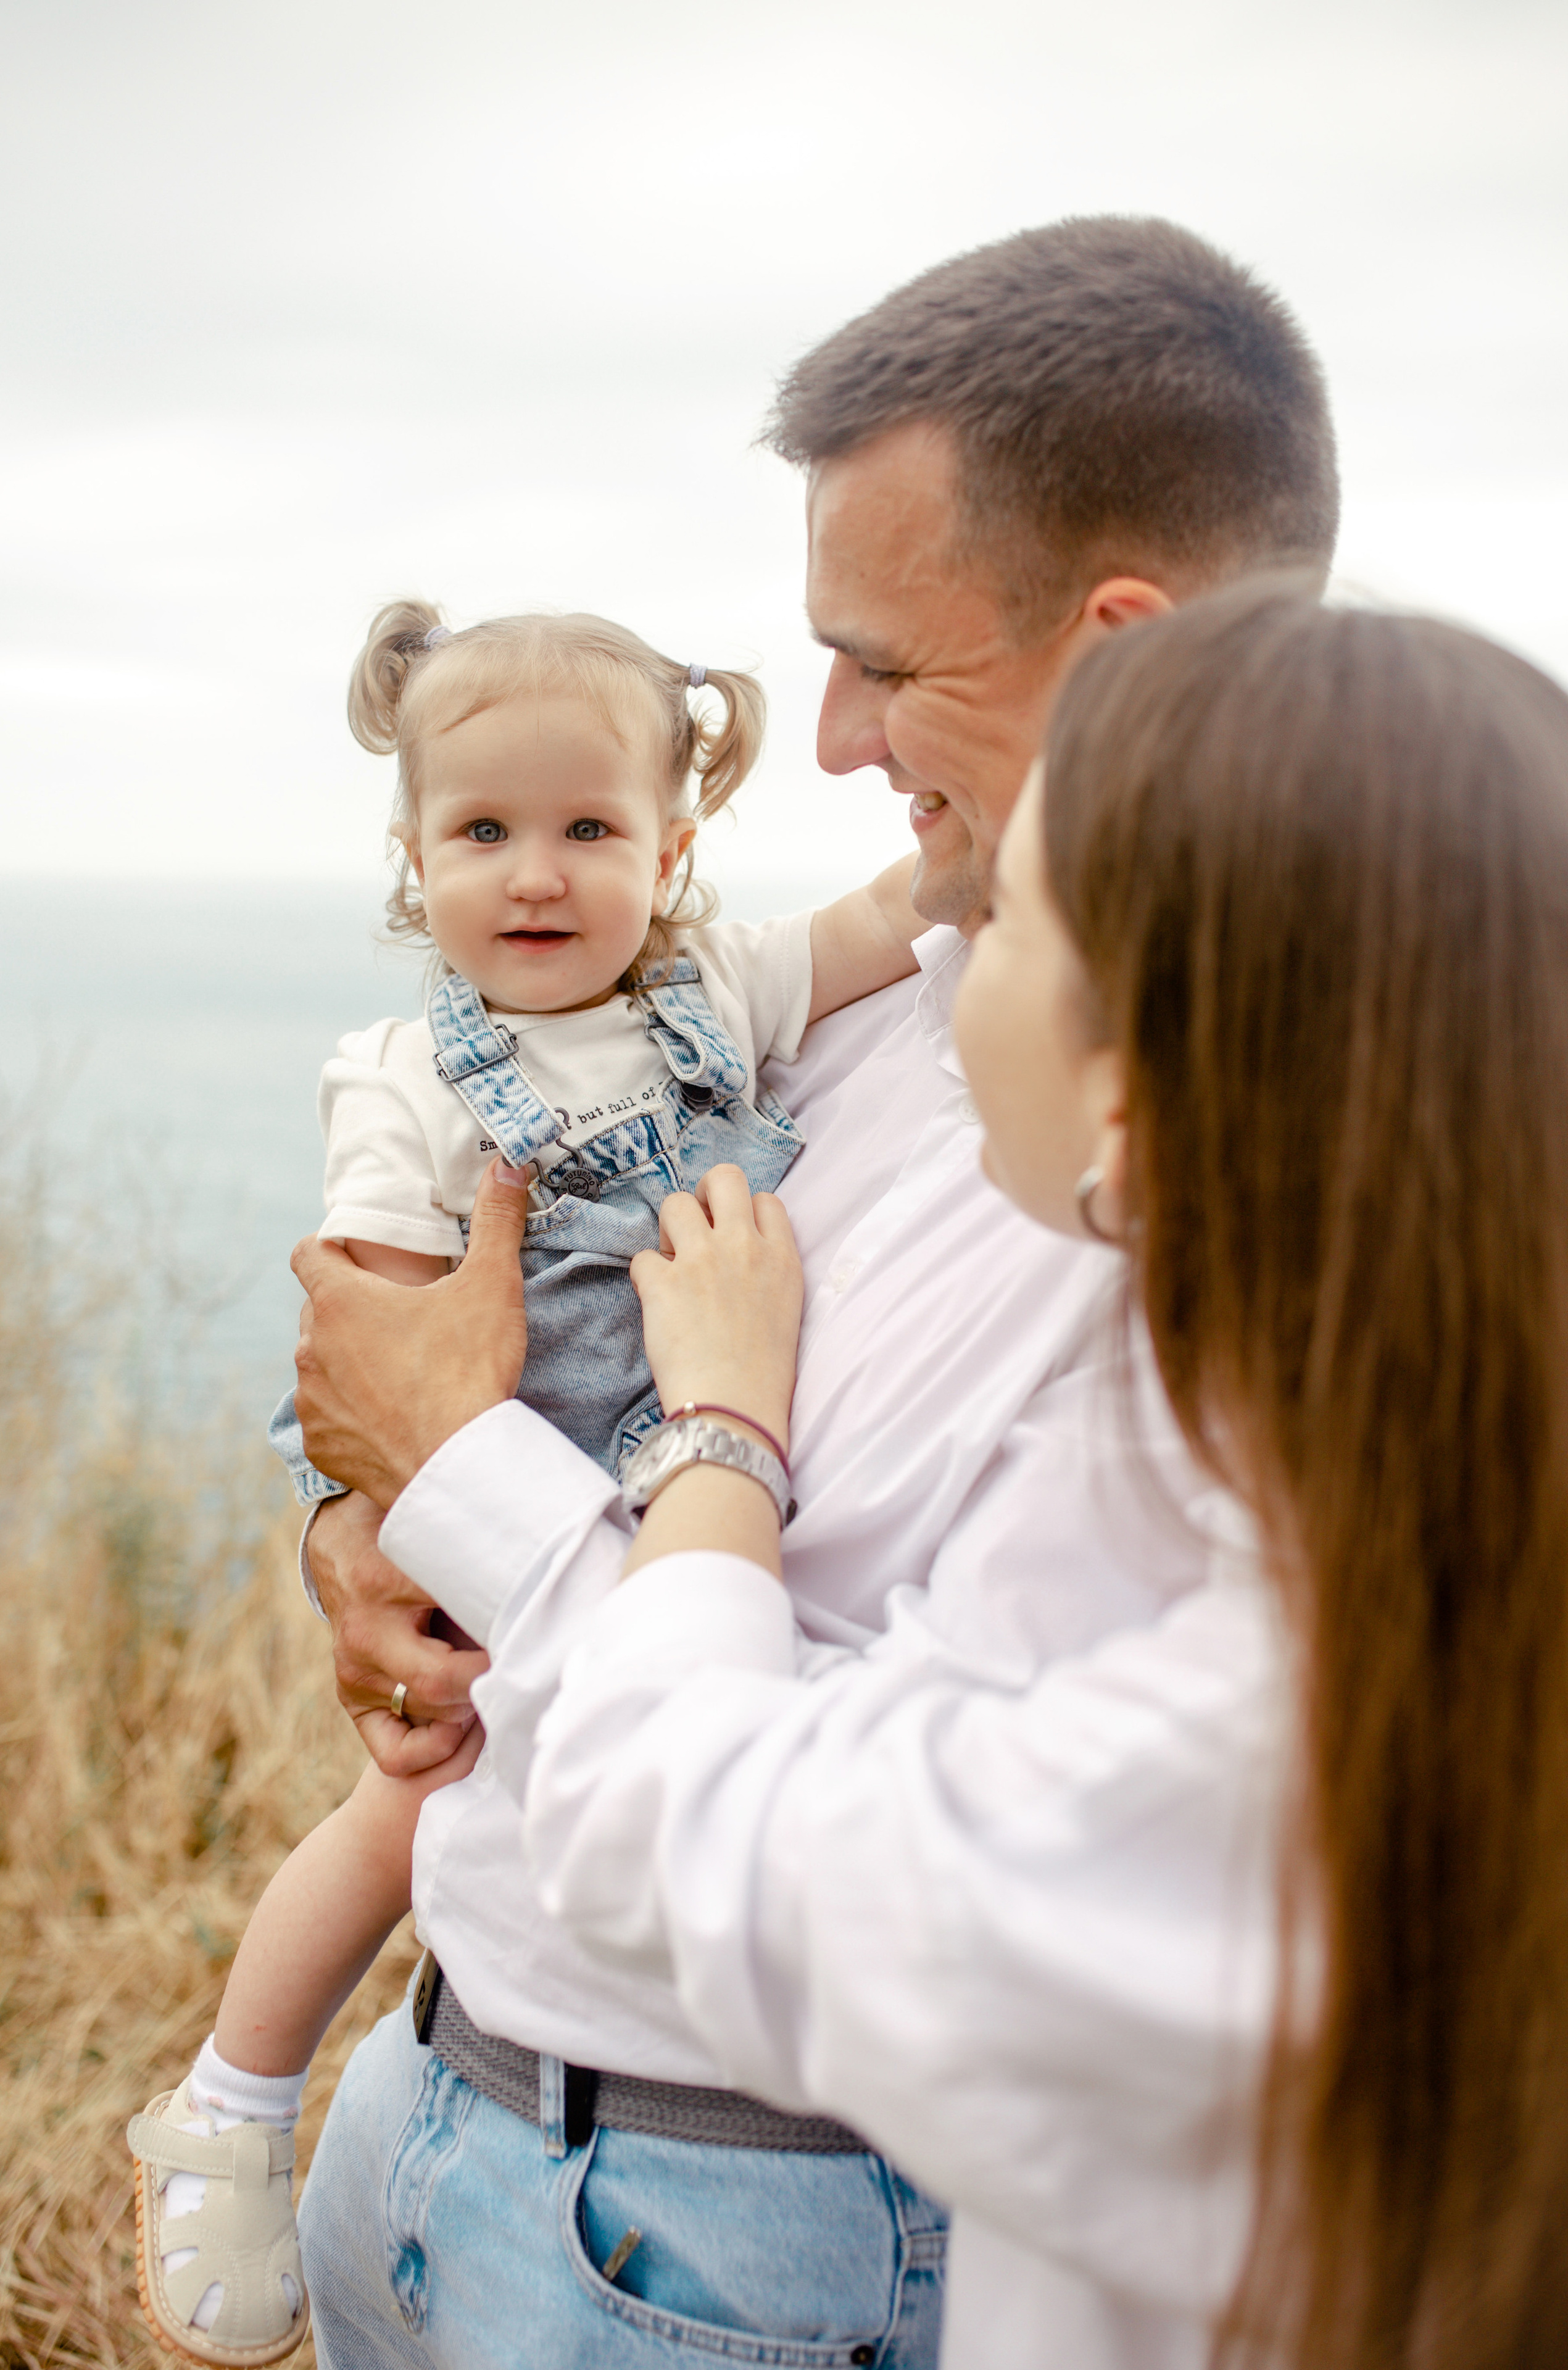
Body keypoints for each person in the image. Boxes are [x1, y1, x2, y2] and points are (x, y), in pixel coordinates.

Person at [285, 220, 1341, 2368]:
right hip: (444, 2092)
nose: (834, 736)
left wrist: (470, 1468)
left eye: (880, 658)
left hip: (727, 2238)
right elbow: (483, 1380)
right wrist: (368, 1532)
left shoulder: (1215, 1210)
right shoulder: (877, 1000)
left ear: (1121, 647)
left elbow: (862, 1852)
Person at [455, 587, 1568, 2369]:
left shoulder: (1237, 1767)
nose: (950, 950)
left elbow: (673, 1819)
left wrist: (710, 1436)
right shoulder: (1281, 1480)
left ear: (1137, 1095)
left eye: (1013, 917)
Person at [125, 605, 926, 2366]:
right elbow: (368, 1331)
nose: (538, 876)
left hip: (657, 1514)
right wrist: (381, 1524)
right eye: (483, 834)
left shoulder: (721, 993)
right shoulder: (409, 1076)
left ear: (676, 848)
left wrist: (1006, 868)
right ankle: (231, 2104)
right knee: (407, 1807)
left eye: (591, 831)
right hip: (504, 1468)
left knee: (575, 1790)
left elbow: (888, 919)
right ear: (413, 861)